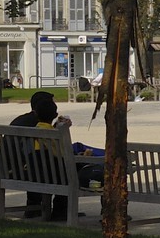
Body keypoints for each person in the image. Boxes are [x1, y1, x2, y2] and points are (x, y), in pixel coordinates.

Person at [10, 91, 103, 221]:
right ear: (55, 114)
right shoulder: (49, 132)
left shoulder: (33, 126)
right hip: (52, 174)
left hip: (33, 170)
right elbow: (61, 154)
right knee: (87, 170)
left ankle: (36, 209)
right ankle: (61, 211)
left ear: (36, 112)